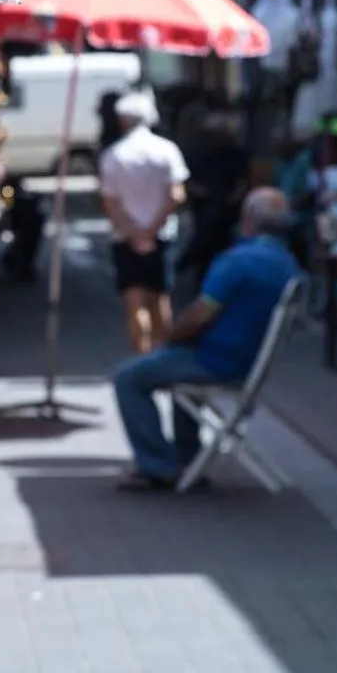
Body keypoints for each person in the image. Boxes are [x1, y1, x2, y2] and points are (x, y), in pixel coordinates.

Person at [112, 187, 301, 490]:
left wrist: (171, 336)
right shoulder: (288, 265)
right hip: (246, 362)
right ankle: (188, 458)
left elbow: (200, 313)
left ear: (247, 221)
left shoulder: (238, 261)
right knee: (171, 367)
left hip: (217, 362)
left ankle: (157, 465)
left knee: (128, 377)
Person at [98, 88, 188, 353]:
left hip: (125, 237)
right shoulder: (167, 150)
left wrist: (134, 232)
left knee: (134, 300)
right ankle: (163, 355)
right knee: (160, 298)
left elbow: (110, 202)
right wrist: (152, 230)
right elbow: (176, 194)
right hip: (161, 235)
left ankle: (142, 354)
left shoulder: (113, 155)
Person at [182, 108, 250, 290]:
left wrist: (234, 197)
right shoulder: (197, 153)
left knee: (223, 247)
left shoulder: (236, 154)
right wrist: (198, 191)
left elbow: (242, 181)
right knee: (204, 246)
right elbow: (187, 179)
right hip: (204, 207)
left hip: (227, 210)